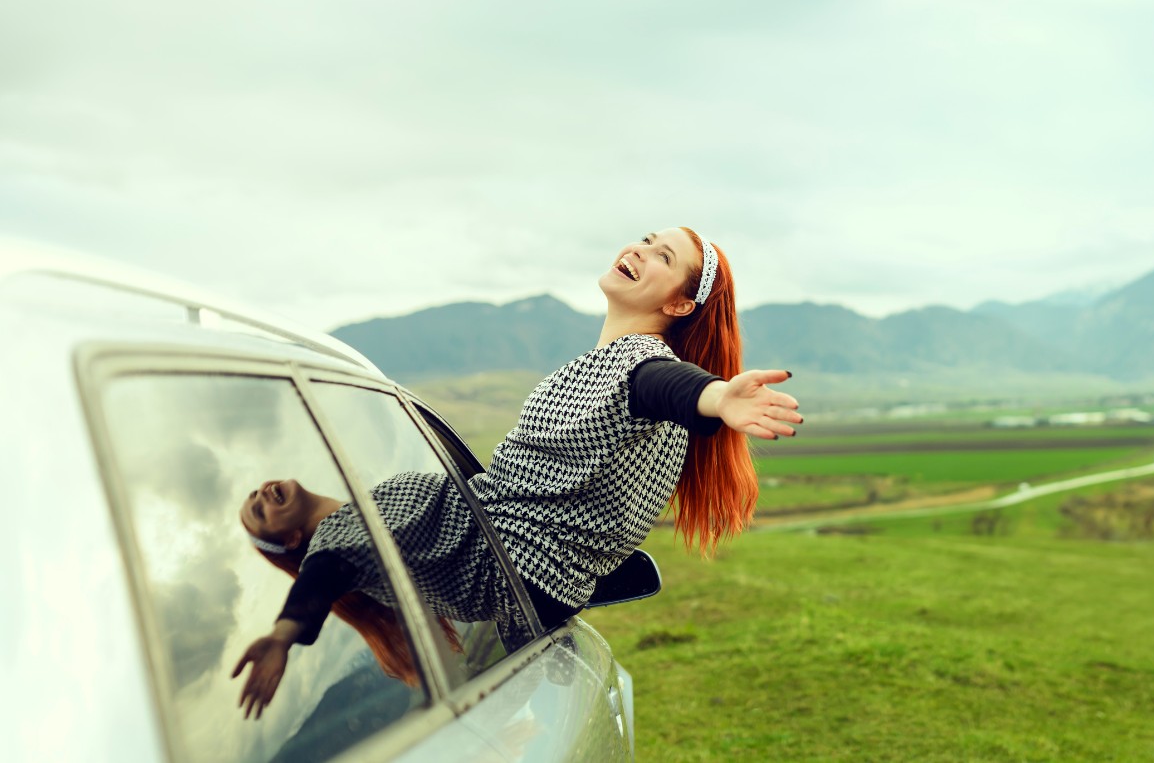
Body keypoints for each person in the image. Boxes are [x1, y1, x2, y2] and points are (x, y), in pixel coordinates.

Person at [233, 227, 799, 719]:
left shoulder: (640, 367)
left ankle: (594, 576)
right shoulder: (609, 366)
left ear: (678, 305)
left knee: (405, 506)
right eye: (648, 239)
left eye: (664, 256)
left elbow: (657, 387)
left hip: (509, 561)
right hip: (529, 574)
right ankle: (595, 577)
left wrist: (717, 396)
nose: (641, 248)